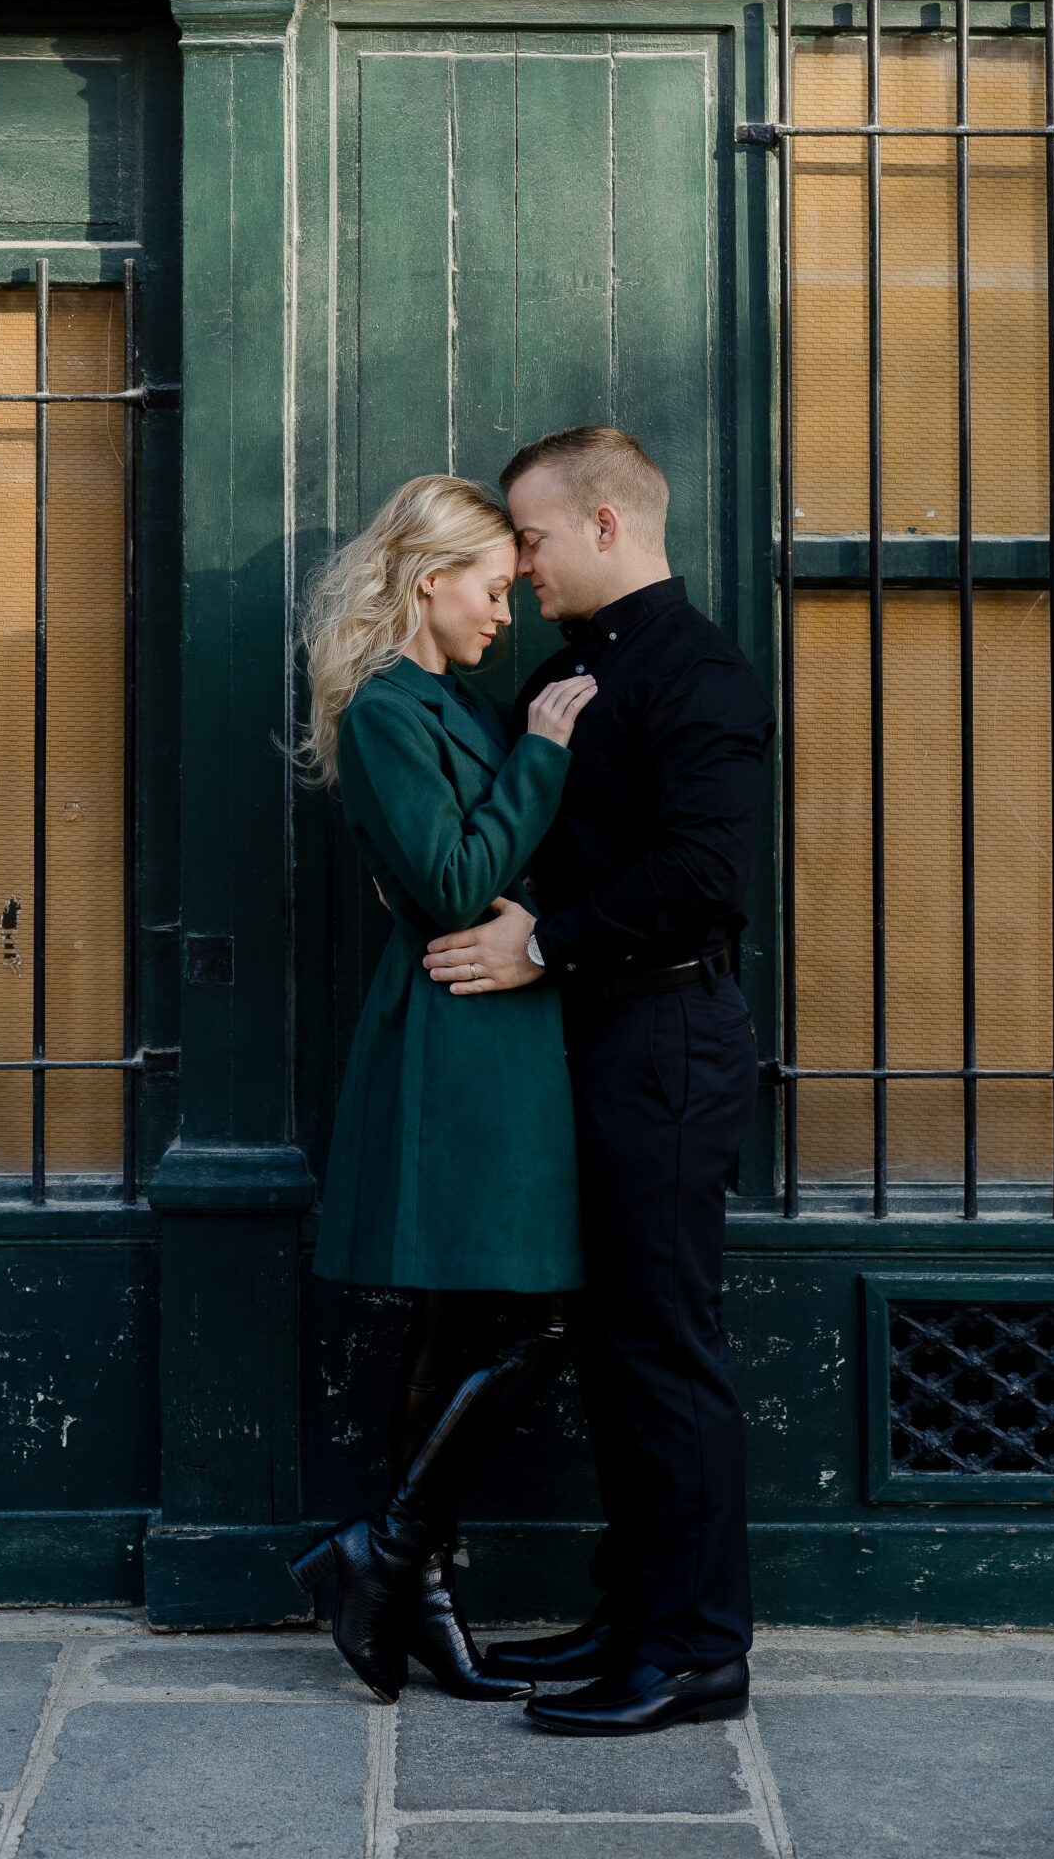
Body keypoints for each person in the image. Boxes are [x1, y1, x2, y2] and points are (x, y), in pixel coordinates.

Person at [423, 426, 774, 1739]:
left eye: (531, 536)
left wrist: (541, 940)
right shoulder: (574, 674)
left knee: (665, 1349)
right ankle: (632, 1614)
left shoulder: (700, 674)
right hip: (596, 1042)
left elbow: (700, 879)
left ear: (606, 527)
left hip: (666, 1040)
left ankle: (693, 1654)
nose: (516, 563)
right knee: (620, 1352)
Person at [290, 474, 598, 1704]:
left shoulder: (447, 702)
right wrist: (544, 750)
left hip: (496, 1035)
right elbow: (459, 881)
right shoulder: (386, 713)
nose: (504, 615)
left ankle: (401, 1576)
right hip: (456, 1040)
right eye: (489, 588)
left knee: (463, 1320)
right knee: (524, 1315)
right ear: (430, 580)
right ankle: (396, 1557)